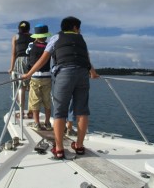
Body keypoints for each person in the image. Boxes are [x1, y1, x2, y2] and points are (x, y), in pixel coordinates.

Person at [22, 16, 100, 159]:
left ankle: (59, 149)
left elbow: (44, 58)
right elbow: (86, 59)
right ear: (75, 28)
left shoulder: (56, 38)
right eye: (79, 28)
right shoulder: (81, 39)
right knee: (82, 111)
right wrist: (93, 73)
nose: (80, 30)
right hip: (83, 74)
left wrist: (28, 74)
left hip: (64, 74)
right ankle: (79, 146)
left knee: (60, 111)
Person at [26, 24, 52, 131]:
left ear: (36, 36)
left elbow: (27, 53)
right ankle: (47, 123)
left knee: (35, 100)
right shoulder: (49, 46)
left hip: (35, 77)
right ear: (46, 36)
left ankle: (37, 123)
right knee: (47, 100)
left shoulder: (31, 45)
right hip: (47, 77)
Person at [8, 21, 34, 117]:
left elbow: (13, 54)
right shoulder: (33, 37)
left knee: (20, 88)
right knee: (32, 87)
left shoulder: (15, 37)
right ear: (28, 29)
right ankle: (31, 112)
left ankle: (22, 112)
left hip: (20, 61)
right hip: (31, 61)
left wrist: (11, 68)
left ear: (19, 29)